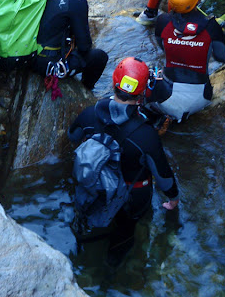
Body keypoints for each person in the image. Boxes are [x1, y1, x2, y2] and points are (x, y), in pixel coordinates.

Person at [68, 56, 179, 264]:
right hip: (131, 196)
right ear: (143, 93)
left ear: (114, 83)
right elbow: (163, 176)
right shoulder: (146, 134)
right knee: (126, 230)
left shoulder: (89, 114)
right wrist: (173, 199)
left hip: (95, 185)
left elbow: (73, 136)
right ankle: (113, 264)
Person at [146, 0, 225, 124]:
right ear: (198, 0)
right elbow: (222, 57)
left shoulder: (163, 21)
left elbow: (162, 46)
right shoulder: (211, 26)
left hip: (166, 97)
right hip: (202, 98)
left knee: (148, 74)